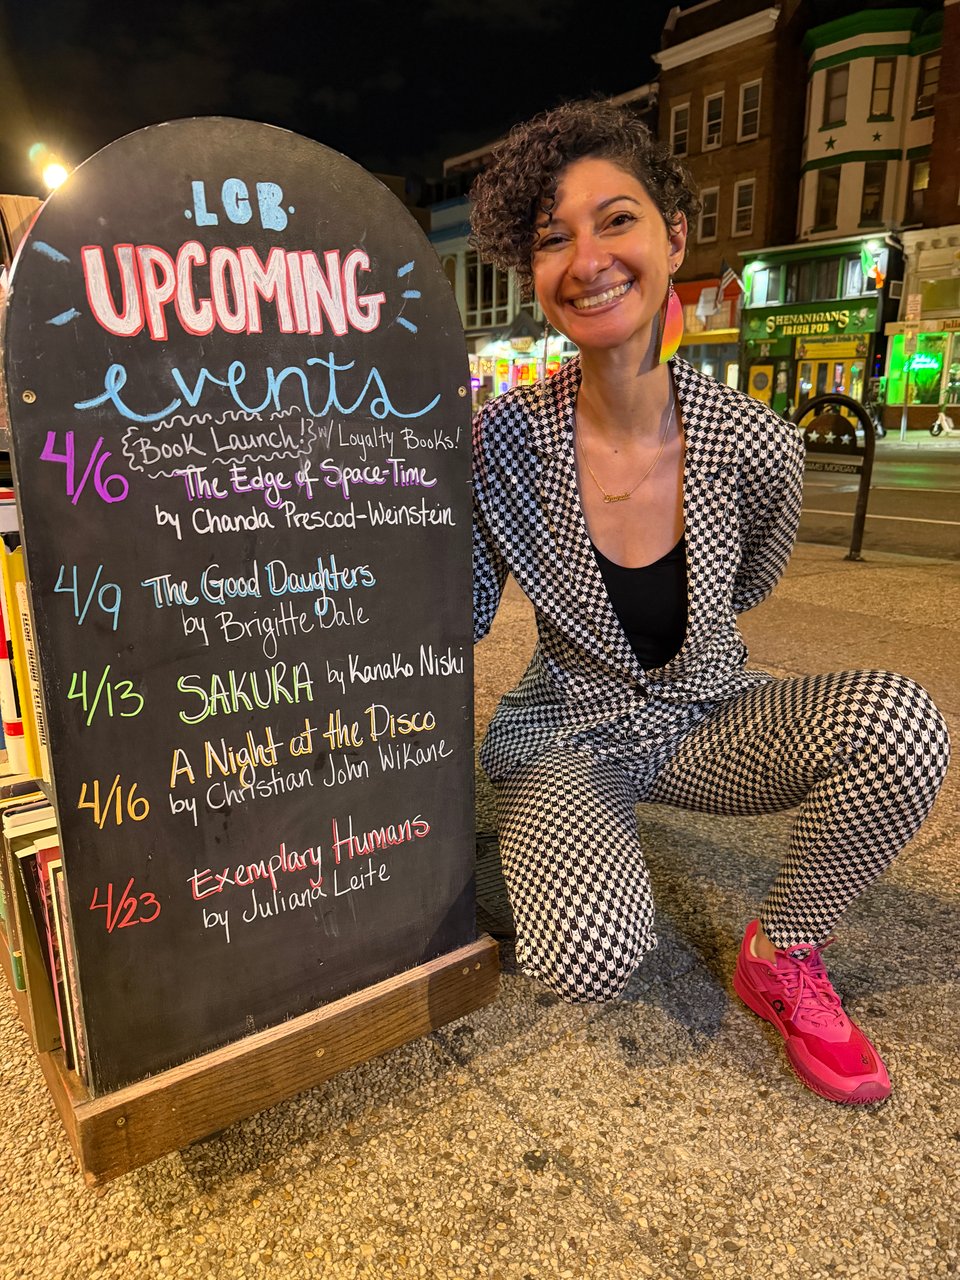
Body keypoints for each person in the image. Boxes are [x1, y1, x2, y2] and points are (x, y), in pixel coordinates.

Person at [468, 99, 950, 1106]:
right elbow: (466, 611)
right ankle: (530, 849)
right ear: (532, 272)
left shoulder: (758, 442)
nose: (587, 257)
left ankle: (783, 953)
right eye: (551, 237)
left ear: (673, 235)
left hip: (710, 717)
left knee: (902, 722)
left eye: (616, 219)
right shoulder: (501, 439)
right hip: (570, 731)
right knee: (593, 958)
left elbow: (747, 583)